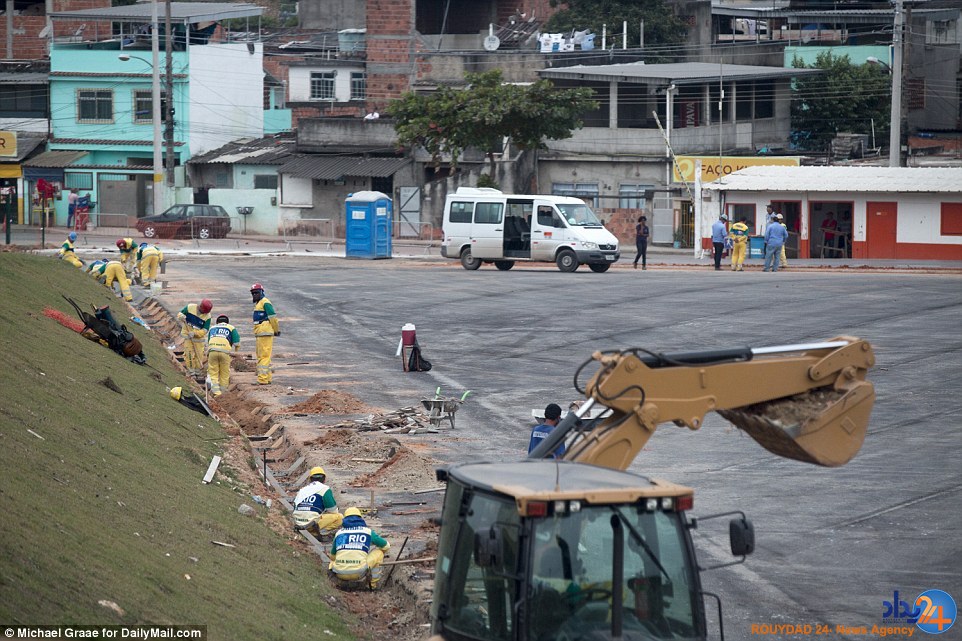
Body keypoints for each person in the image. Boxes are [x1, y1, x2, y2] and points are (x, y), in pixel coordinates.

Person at [329, 506, 391, 590]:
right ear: (360, 518)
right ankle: (373, 585)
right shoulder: (367, 532)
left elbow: (333, 557)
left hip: (340, 573)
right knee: (379, 552)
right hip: (359, 572)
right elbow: (386, 546)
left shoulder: (339, 533)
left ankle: (334, 582)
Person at [292, 466, 344, 538]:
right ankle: (316, 533)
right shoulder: (325, 489)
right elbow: (333, 510)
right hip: (311, 523)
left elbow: (295, 506)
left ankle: (309, 531)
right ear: (324, 479)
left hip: (297, 522)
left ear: (310, 479)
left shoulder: (302, 490)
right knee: (339, 517)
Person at [250, 283, 279, 385]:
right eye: (253, 293)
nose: (254, 295)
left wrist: (276, 330)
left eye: (256, 293)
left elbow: (272, 317)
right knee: (262, 356)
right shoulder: (259, 303)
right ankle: (267, 378)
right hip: (260, 333)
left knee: (264, 357)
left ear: (262, 292)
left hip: (265, 332)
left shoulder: (265, 302)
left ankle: (262, 380)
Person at [178, 299, 213, 379]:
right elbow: (180, 314)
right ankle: (191, 372)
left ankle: (198, 372)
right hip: (188, 338)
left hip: (198, 339)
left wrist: (195, 333)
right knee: (189, 354)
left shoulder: (208, 316)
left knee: (199, 356)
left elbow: (205, 330)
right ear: (200, 307)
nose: (204, 313)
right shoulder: (190, 307)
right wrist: (181, 316)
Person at [206, 314, 239, 396]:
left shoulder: (212, 328)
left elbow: (209, 341)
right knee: (224, 373)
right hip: (225, 353)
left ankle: (216, 393)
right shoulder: (231, 327)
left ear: (217, 322)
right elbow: (237, 343)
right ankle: (223, 394)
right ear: (227, 322)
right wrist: (235, 351)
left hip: (212, 352)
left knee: (213, 373)